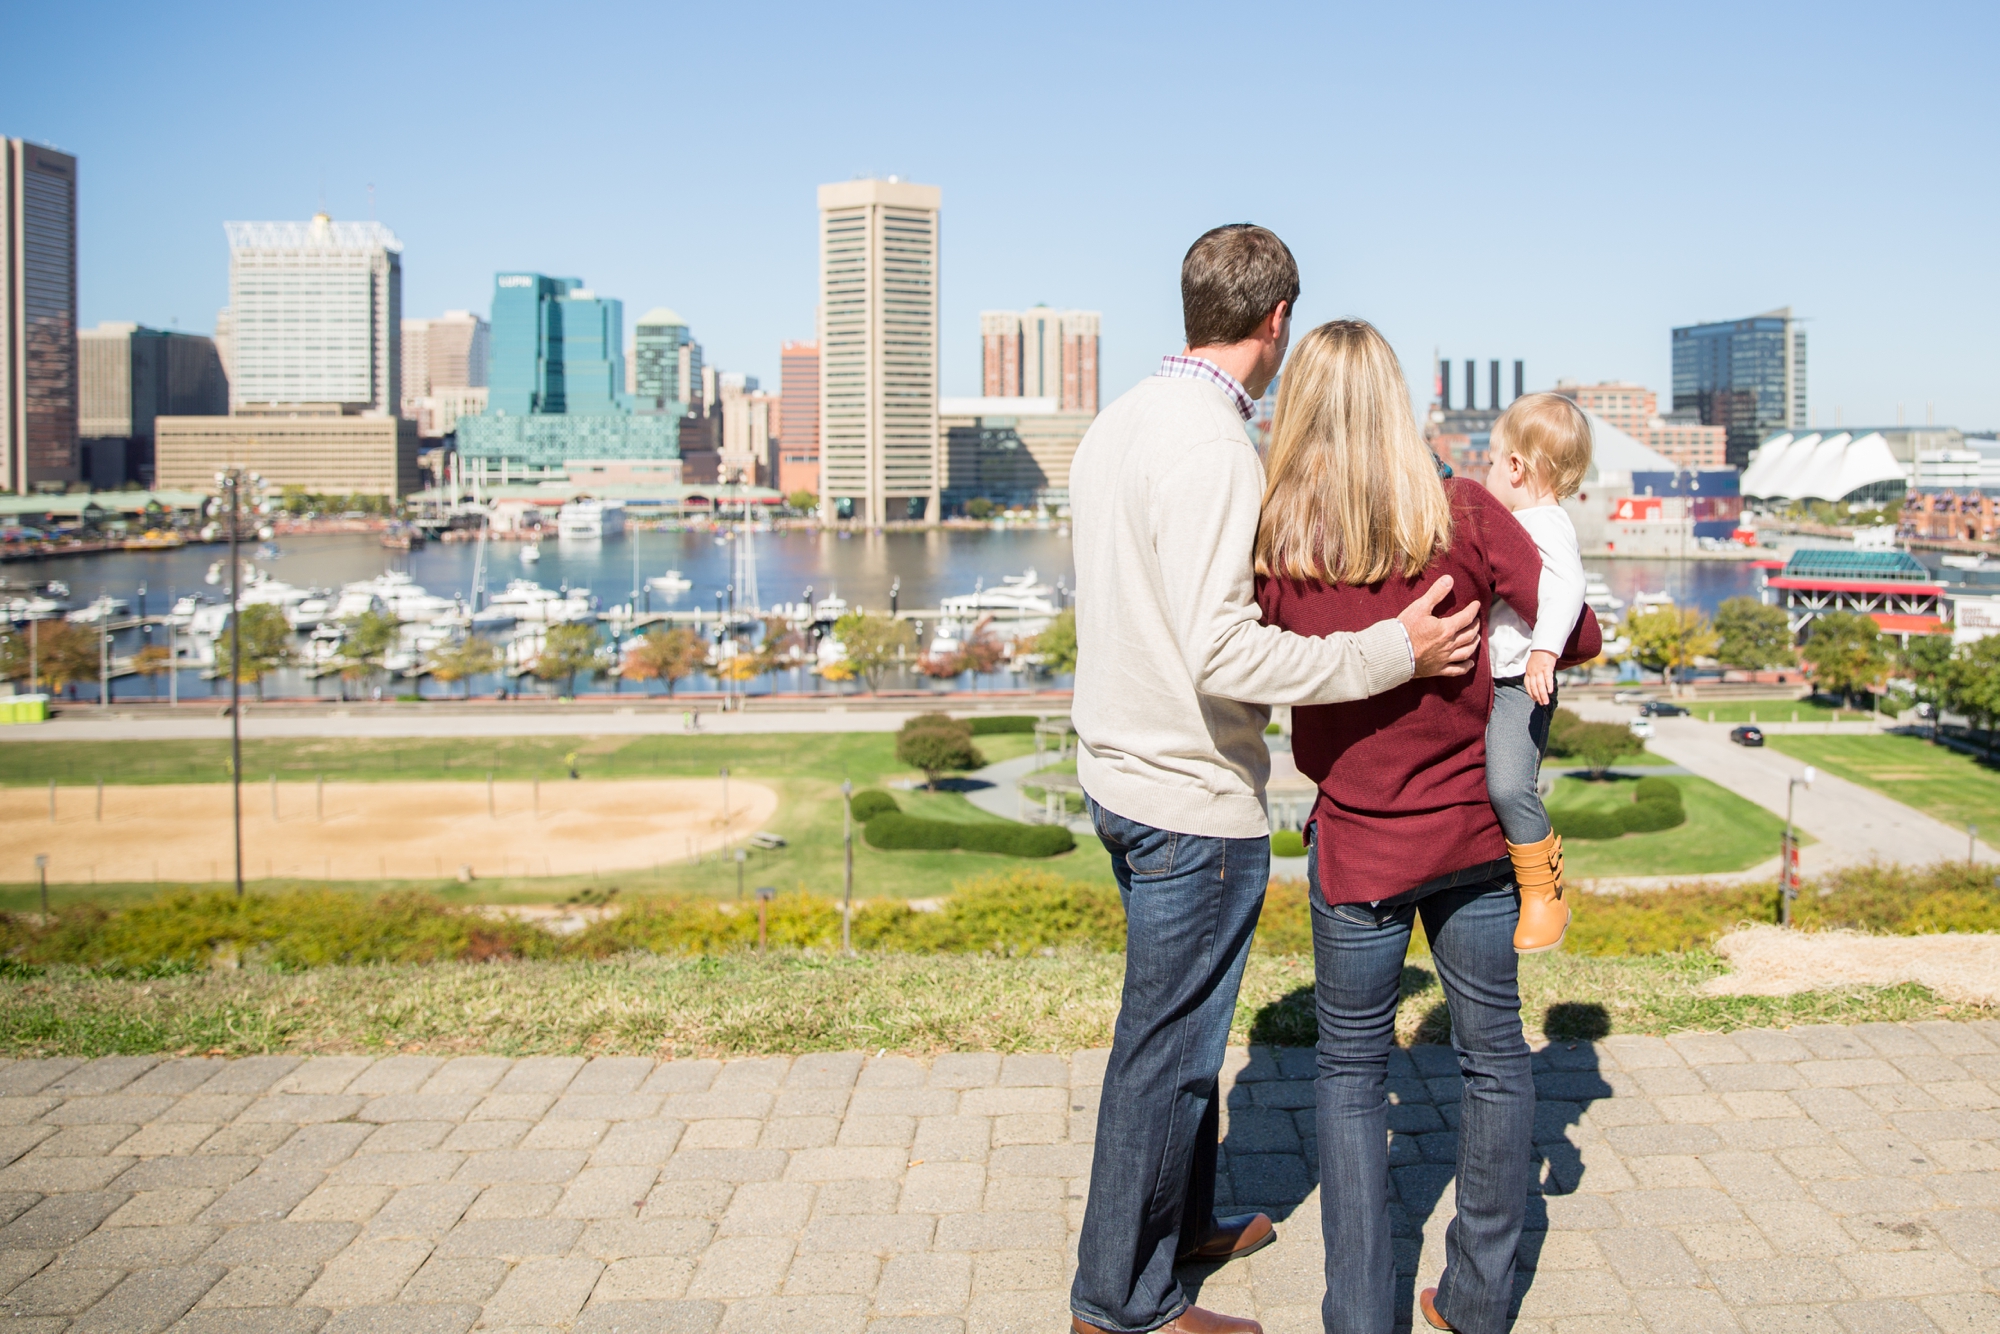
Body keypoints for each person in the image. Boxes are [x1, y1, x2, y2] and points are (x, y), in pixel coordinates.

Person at [1067, 227, 1484, 1334]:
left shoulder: (1118, 424)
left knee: (1186, 1046)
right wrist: (1390, 649)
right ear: (1274, 322)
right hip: (1183, 792)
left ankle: (1177, 1227)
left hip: (1117, 765)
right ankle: (1120, 1301)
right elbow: (1224, 651)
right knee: (1163, 1057)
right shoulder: (1212, 449)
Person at [1253, 320, 1599, 1334]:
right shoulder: (1463, 508)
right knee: (1494, 1055)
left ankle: (1360, 1314)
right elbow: (1571, 630)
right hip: (1474, 842)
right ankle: (1479, 1298)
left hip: (1360, 842)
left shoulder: (1279, 537)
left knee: (1350, 1076)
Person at [1478, 394, 1593, 953]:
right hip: (1499, 679)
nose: (1489, 472)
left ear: (1517, 468)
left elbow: (1569, 588)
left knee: (1508, 784)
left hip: (1523, 682)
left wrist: (1545, 652)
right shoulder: (1520, 521)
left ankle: (1545, 893)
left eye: (1494, 462)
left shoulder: (1545, 523)